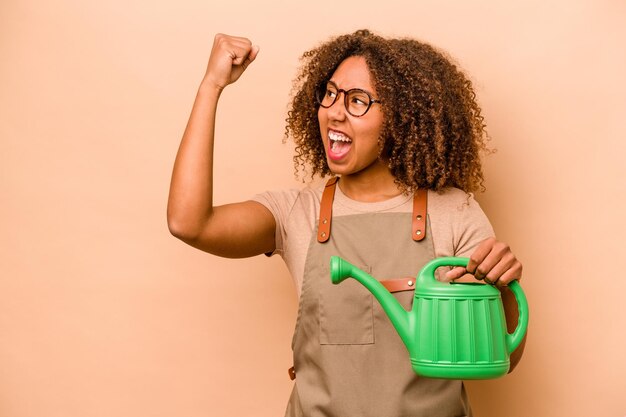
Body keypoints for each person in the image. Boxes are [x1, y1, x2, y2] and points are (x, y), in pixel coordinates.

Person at [167, 30, 525, 417]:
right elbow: (189, 222)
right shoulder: (295, 214)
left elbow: (502, 357)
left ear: (402, 117)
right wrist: (211, 86)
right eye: (331, 93)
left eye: (358, 101)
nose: (335, 112)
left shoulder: (454, 213)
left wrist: (501, 287)